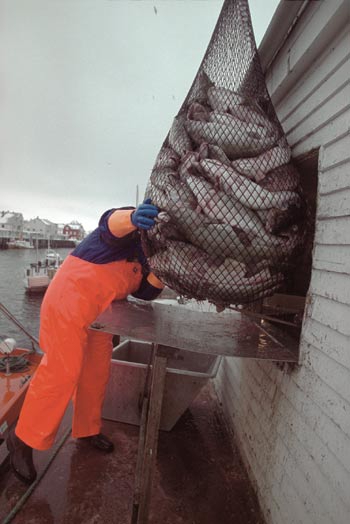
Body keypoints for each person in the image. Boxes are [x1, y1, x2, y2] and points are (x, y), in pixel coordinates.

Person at [7, 200, 164, 484]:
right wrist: (132, 217)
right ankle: (23, 439)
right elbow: (109, 224)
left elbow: (144, 293)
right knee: (61, 373)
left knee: (96, 373)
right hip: (67, 304)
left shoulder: (149, 257)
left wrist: (163, 272)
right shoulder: (122, 232)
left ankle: (87, 428)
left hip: (101, 316)